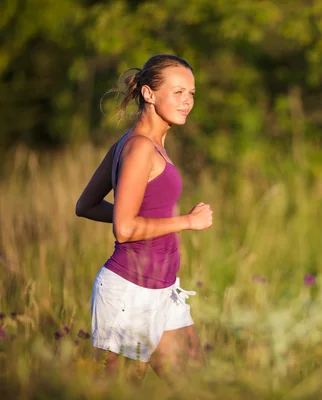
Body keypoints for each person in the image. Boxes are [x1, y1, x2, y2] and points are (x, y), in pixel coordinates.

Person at [75, 54, 213, 385]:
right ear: (149, 94)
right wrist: (185, 222)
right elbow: (125, 229)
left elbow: (87, 205)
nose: (187, 102)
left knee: (198, 388)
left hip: (164, 293)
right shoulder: (139, 148)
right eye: (178, 92)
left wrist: (136, 217)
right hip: (129, 295)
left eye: (191, 93)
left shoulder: (146, 144)